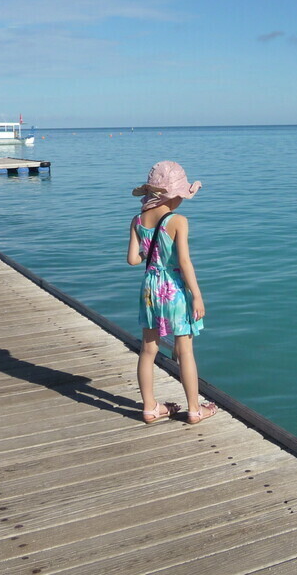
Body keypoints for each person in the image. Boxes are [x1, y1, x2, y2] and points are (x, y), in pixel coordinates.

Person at [127, 161, 217, 425]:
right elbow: (185, 262)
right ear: (173, 194)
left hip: (149, 288)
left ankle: (150, 407)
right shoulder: (178, 220)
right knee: (185, 350)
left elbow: (133, 259)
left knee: (148, 349)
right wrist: (197, 295)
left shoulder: (138, 220)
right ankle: (194, 409)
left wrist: (151, 252)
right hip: (175, 289)